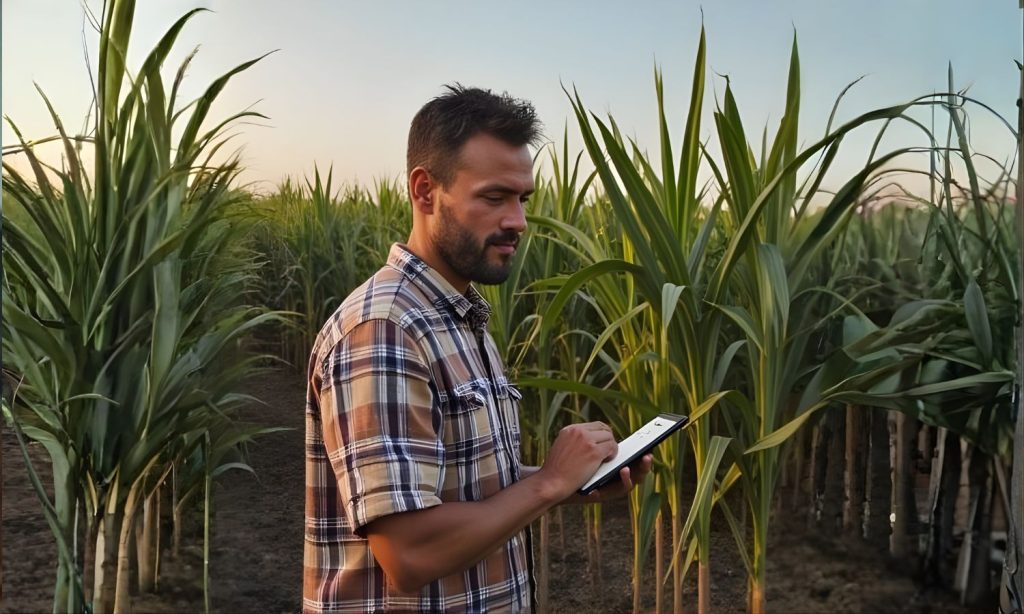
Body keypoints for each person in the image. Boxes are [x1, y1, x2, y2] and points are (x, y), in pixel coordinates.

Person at [303, 84, 653, 613]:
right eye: (494, 197)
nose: (518, 221)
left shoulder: (460, 316)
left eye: (522, 199)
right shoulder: (384, 330)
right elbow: (409, 550)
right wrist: (549, 483)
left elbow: (458, 489)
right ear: (425, 191)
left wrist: (567, 483)